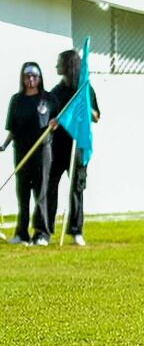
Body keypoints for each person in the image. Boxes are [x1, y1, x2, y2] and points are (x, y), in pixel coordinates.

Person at [46, 49, 100, 246]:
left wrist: (88, 110)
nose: (56, 66)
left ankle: (76, 231)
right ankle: (46, 231)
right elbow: (49, 118)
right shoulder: (56, 92)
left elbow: (97, 116)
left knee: (76, 188)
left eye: (59, 63)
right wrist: (52, 122)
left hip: (77, 147)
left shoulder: (85, 89)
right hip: (57, 147)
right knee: (50, 187)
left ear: (69, 65)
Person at [5, 62, 54, 245]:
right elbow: (12, 128)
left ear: (40, 78)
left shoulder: (48, 99)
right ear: (23, 78)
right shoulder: (16, 100)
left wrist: (55, 124)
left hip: (42, 152)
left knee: (40, 193)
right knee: (22, 193)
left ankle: (41, 234)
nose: (31, 79)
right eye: (27, 76)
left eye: (34, 76)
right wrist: (4, 145)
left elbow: (60, 120)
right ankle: (21, 234)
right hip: (21, 151)